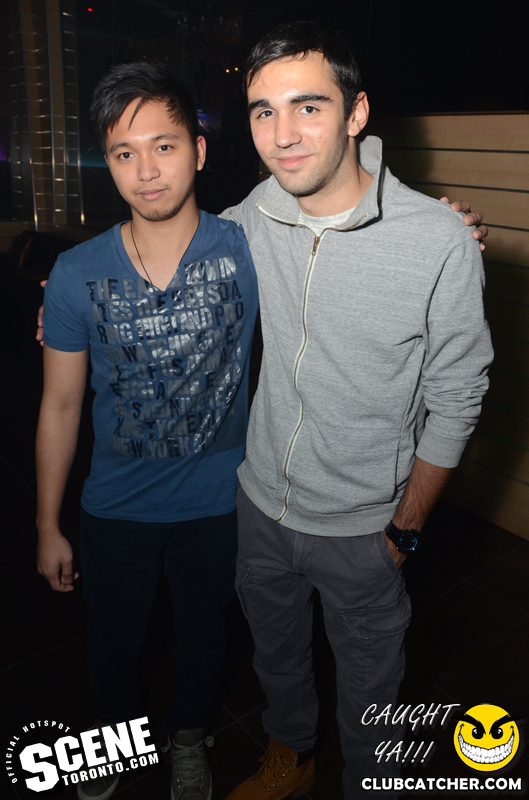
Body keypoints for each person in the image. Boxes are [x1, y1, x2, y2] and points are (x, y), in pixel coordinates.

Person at [220, 22, 493, 800]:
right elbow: (174, 251)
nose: (282, 134)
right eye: (263, 111)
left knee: (373, 694)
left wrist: (404, 528)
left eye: (308, 106)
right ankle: (290, 754)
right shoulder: (256, 210)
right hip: (261, 507)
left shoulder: (435, 240)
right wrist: (76, 289)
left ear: (356, 112)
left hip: (364, 528)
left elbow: (457, 397)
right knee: (277, 658)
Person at [35, 61, 258, 800]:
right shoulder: (75, 273)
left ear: (198, 149)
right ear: (107, 163)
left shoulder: (249, 249)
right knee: (113, 645)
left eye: (163, 146)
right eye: (124, 153)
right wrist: (47, 524)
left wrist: (440, 224)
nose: (146, 170)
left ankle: (189, 739)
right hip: (115, 508)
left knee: (205, 638)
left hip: (220, 505)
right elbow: (60, 406)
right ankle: (113, 746)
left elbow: (340, 225)